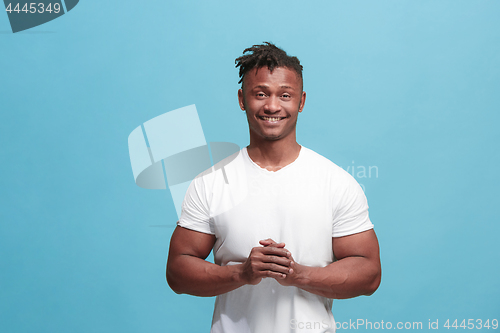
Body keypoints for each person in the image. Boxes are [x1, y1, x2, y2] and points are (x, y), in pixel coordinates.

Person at [166, 42, 381, 333]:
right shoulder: (211, 182)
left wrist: (298, 275)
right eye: (261, 94)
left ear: (301, 101)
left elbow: (369, 275)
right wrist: (241, 273)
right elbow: (178, 273)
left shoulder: (337, 182)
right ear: (242, 99)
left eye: (285, 95)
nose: (272, 106)